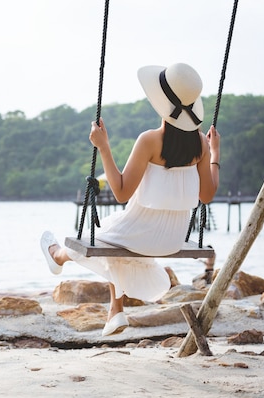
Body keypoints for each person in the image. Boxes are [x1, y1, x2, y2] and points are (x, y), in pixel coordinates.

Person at [40, 63, 221, 336]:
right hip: (172, 240)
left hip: (139, 237)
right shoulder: (201, 145)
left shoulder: (149, 140)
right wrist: (215, 154)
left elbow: (122, 192)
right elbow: (207, 195)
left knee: (104, 237)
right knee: (116, 232)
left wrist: (104, 147)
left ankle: (59, 256)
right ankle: (115, 310)